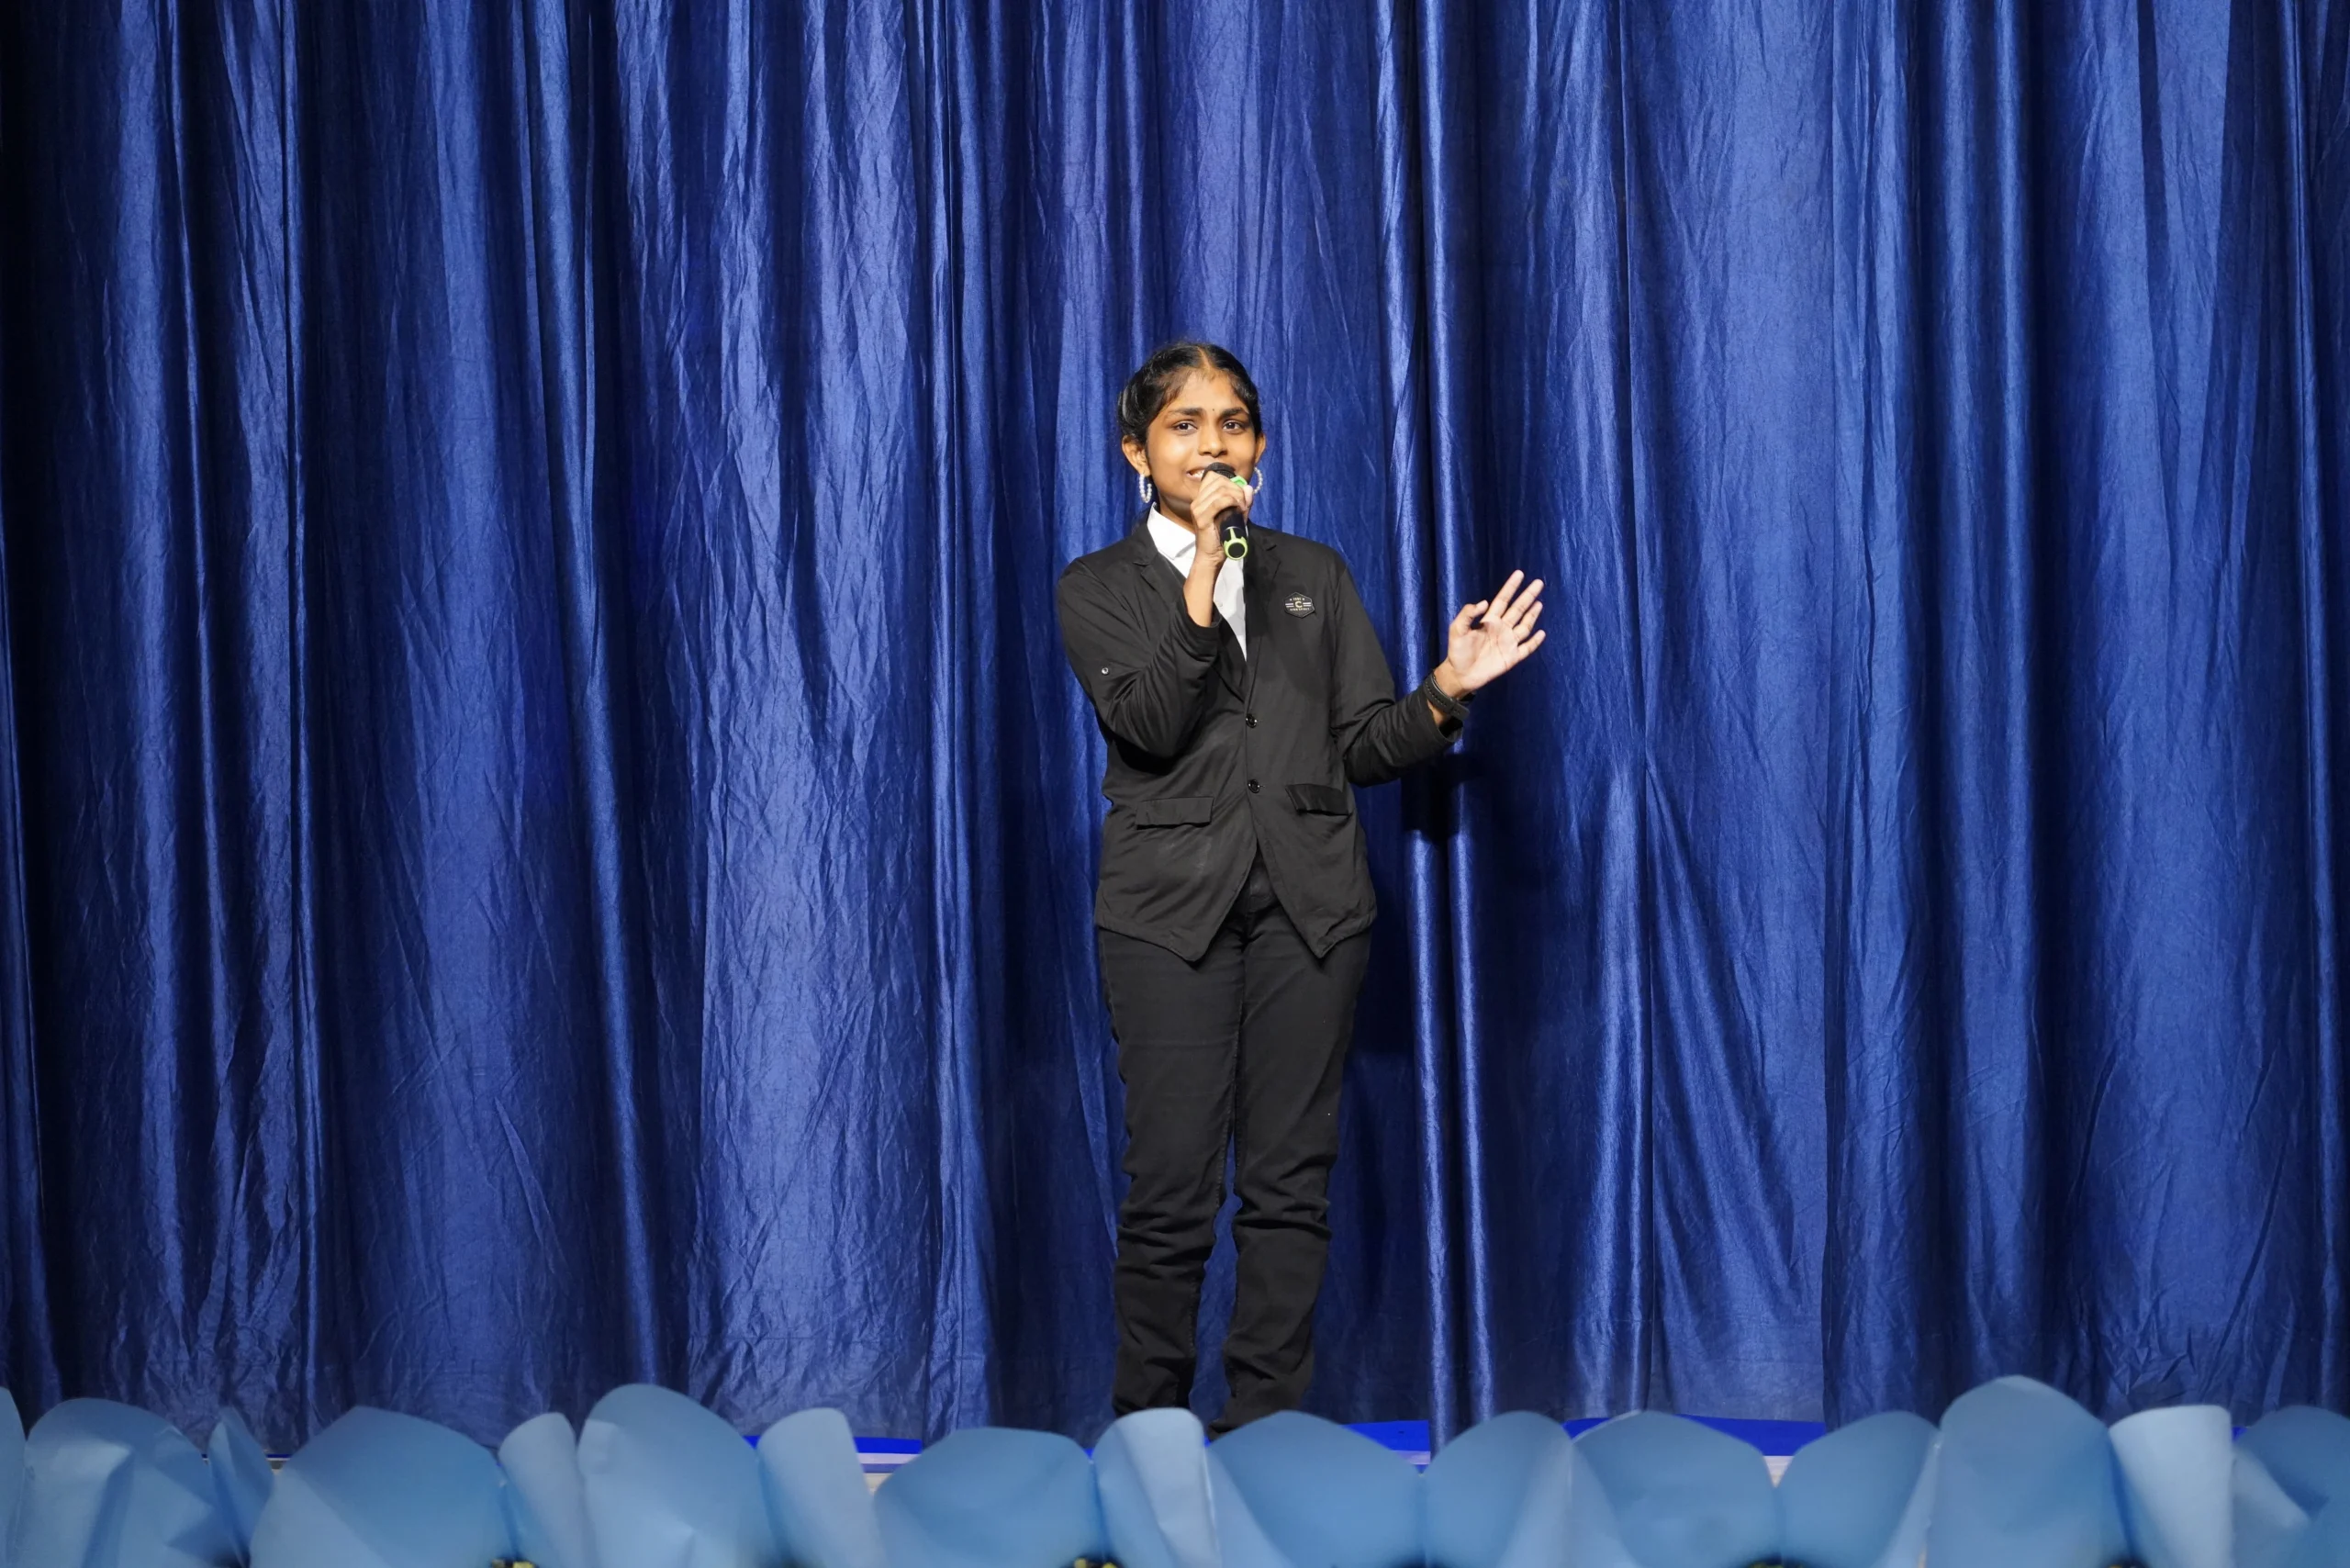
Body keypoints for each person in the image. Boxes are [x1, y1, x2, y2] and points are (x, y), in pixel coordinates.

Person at [1056, 341, 1545, 1434]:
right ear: (1136, 451)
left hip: (1309, 912)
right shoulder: (1095, 586)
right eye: (1183, 425)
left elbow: (1361, 747)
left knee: (1288, 1184)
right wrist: (1201, 580)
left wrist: (1445, 689)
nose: (1211, 445)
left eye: (1231, 423)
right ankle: (1149, 1433)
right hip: (1166, 917)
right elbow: (1149, 725)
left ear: (1260, 445)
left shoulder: (1313, 574)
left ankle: (1263, 1432)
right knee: (1171, 1187)